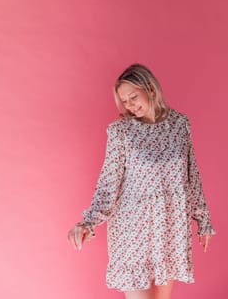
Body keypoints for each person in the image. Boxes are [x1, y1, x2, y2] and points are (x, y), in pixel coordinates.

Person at [67, 64, 216, 299]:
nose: (129, 105)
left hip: (169, 227)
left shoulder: (179, 125)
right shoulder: (121, 132)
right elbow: (108, 182)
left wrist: (203, 220)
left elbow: (191, 176)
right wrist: (87, 222)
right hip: (132, 230)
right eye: (124, 101)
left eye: (133, 97)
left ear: (151, 88)